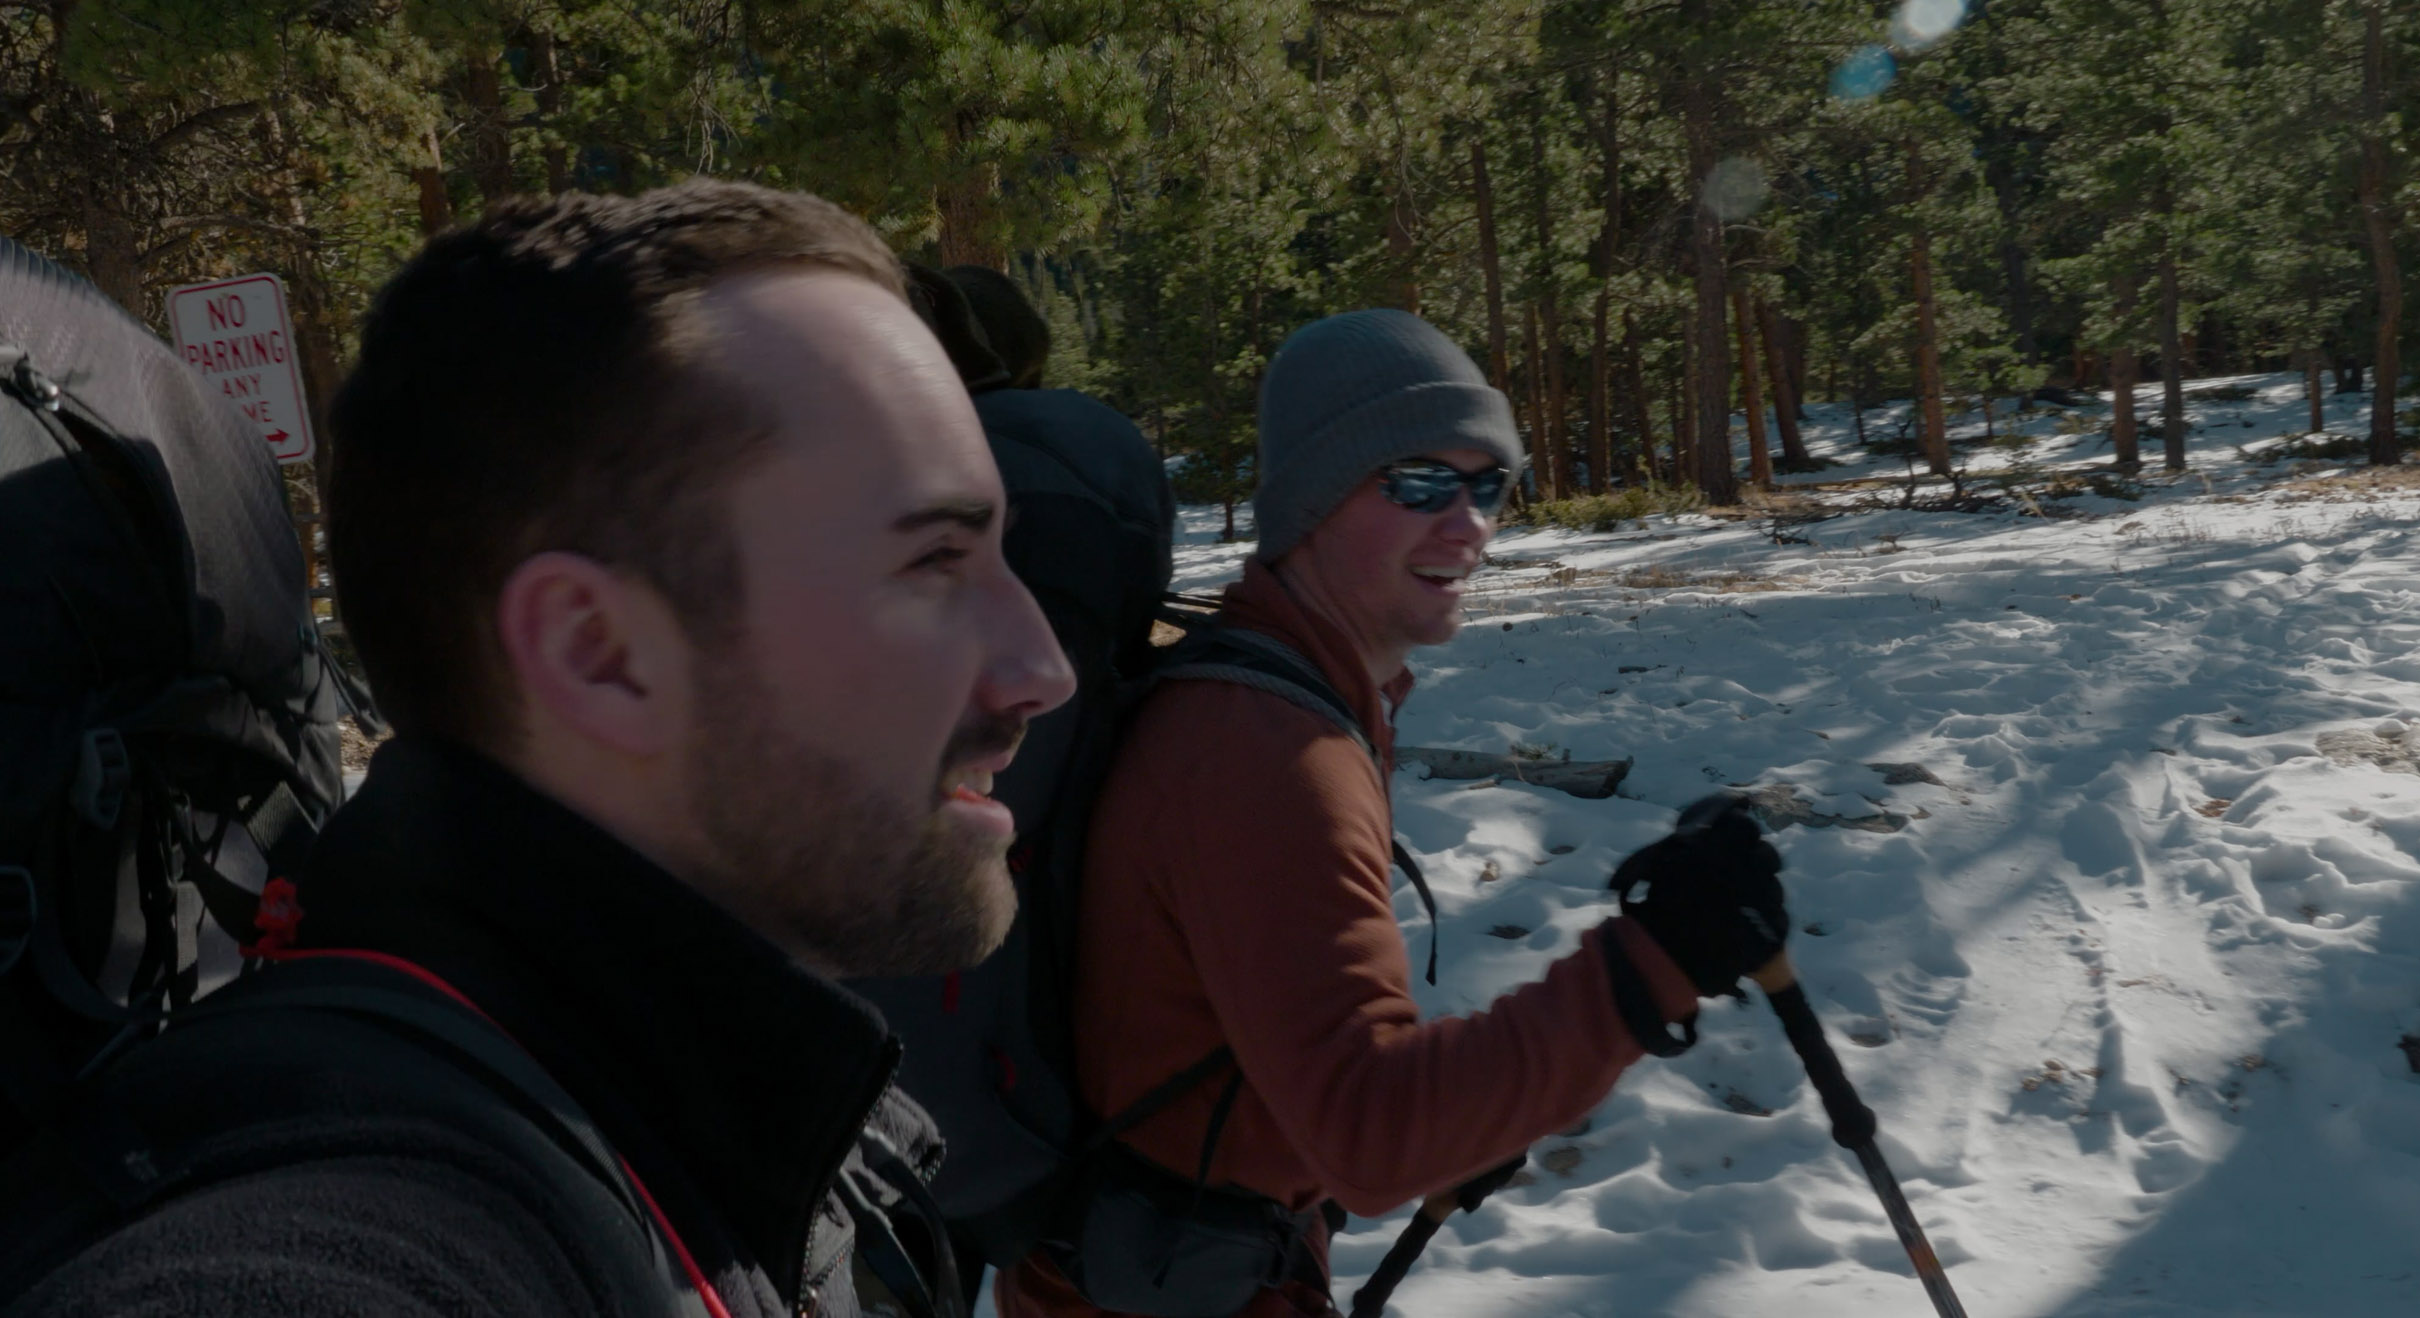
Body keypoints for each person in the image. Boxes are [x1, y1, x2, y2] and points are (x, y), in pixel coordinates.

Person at [3, 179, 1074, 1318]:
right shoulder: (383, 1218)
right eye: (931, 563)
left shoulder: (685, 1096)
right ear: (598, 652)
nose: (1042, 667)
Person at [997, 309, 1788, 1317]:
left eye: (1488, 484)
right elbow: (1369, 1135)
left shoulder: (1277, 699)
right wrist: (1651, 965)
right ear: (1310, 502)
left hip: (1168, 1268)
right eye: (1418, 482)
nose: (1468, 523)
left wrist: (1476, 1110)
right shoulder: (1266, 754)